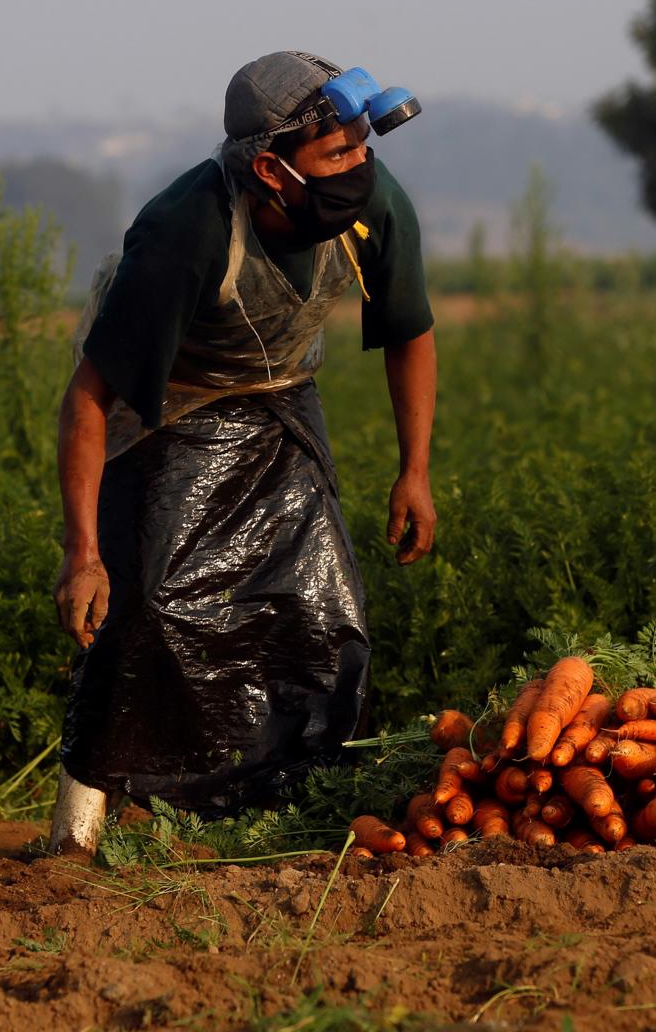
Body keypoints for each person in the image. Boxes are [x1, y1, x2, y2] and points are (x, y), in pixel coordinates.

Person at [48, 51, 438, 855]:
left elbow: (409, 333)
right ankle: (79, 832)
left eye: (365, 145)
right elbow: (88, 398)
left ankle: (285, 816)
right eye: (338, 155)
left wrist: (415, 471)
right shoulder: (184, 231)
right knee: (149, 608)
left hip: (284, 395)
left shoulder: (372, 203)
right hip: (164, 407)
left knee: (323, 617)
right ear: (270, 167)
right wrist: (83, 554)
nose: (360, 167)